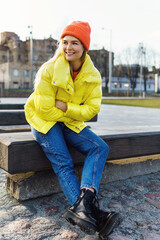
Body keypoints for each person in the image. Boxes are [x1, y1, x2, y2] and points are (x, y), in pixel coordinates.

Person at [24, 21, 121, 238]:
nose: (68, 47)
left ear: (84, 47)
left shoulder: (92, 75)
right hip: (44, 122)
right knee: (64, 162)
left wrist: (67, 107)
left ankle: (83, 205)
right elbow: (45, 109)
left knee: (99, 147)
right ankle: (93, 214)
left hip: (67, 121)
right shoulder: (49, 69)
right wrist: (72, 112)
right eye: (65, 42)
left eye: (74, 43)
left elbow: (92, 109)